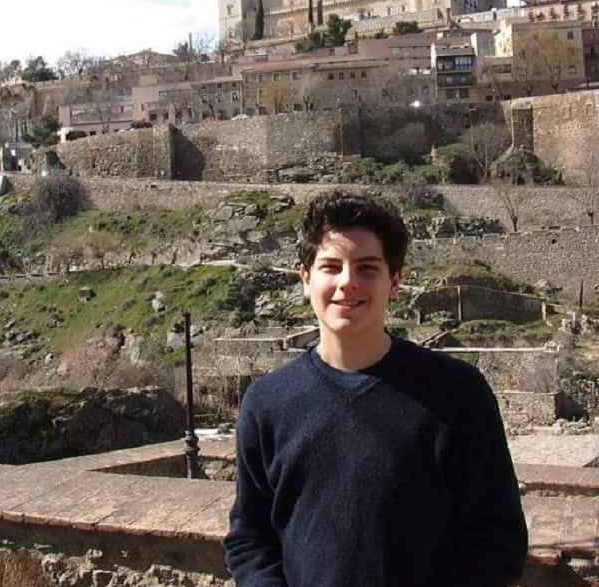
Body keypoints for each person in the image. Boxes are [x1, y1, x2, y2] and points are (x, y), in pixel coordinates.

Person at [224, 191, 527, 587]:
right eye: (331, 267)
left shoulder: (458, 394)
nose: (347, 283)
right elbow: (249, 538)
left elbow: (497, 539)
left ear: (395, 282)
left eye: (367, 268)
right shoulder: (266, 404)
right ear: (305, 279)